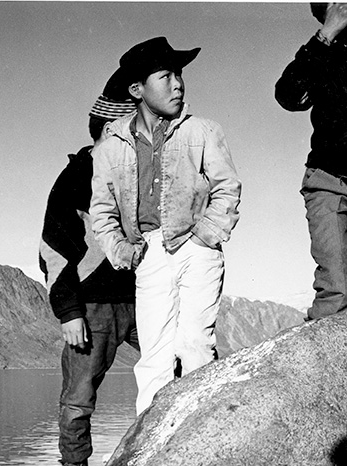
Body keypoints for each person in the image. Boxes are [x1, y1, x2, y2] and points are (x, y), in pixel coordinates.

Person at [90, 37, 241, 416]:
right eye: (166, 76)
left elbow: (227, 188)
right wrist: (124, 251)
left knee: (195, 347)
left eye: (179, 75)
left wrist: (205, 236)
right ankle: (149, 447)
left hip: (197, 248)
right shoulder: (112, 145)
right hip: (149, 256)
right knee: (154, 358)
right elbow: (102, 212)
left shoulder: (203, 131)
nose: (178, 84)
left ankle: (201, 435)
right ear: (137, 89)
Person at [39, 78, 139, 466]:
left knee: (184, 365)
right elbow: (53, 247)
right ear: (110, 129)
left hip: (143, 298)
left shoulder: (135, 171)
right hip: (92, 306)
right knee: (79, 398)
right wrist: (68, 311)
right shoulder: (78, 174)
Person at [275, 3, 347, 321]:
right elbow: (289, 96)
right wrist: (325, 36)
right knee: (336, 291)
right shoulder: (327, 54)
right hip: (330, 181)